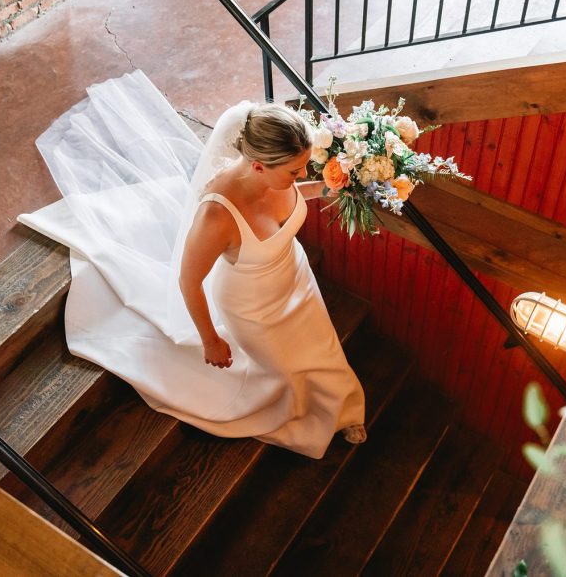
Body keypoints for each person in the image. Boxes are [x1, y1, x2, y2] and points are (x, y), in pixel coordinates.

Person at [20, 71, 365, 459]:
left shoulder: (277, 180)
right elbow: (188, 280)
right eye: (294, 171)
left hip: (295, 279)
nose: (303, 174)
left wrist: (325, 187)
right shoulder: (217, 216)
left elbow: (290, 195)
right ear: (258, 168)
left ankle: (345, 407)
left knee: (322, 346)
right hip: (254, 309)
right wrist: (210, 339)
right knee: (288, 365)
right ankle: (307, 418)